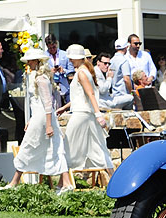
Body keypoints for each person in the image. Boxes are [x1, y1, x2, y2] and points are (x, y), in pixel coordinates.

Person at [3, 48, 73, 194]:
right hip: (40, 116)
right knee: (53, 146)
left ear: (37, 61)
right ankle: (65, 182)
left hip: (43, 117)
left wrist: (48, 124)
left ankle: (15, 181)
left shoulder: (41, 79)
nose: (28, 62)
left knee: (31, 145)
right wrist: (32, 120)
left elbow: (48, 103)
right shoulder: (36, 76)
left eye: (31, 60)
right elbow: (37, 103)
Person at [60, 44, 114, 174]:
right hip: (85, 113)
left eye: (73, 58)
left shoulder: (82, 73)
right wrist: (64, 108)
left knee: (68, 148)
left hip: (81, 114)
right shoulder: (84, 72)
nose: (70, 60)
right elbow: (82, 96)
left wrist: (98, 114)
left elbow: (90, 94)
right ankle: (115, 179)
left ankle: (64, 184)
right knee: (99, 148)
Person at [100, 39, 135, 110]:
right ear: (126, 48)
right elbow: (126, 79)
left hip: (113, 96)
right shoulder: (124, 61)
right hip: (123, 95)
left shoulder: (111, 61)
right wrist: (131, 92)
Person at [42, 34, 74, 106]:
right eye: (50, 48)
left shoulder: (65, 54)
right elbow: (41, 73)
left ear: (56, 44)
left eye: (54, 47)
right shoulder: (43, 57)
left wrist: (64, 71)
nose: (52, 49)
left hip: (65, 88)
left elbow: (72, 70)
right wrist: (50, 72)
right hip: (51, 89)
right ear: (47, 46)